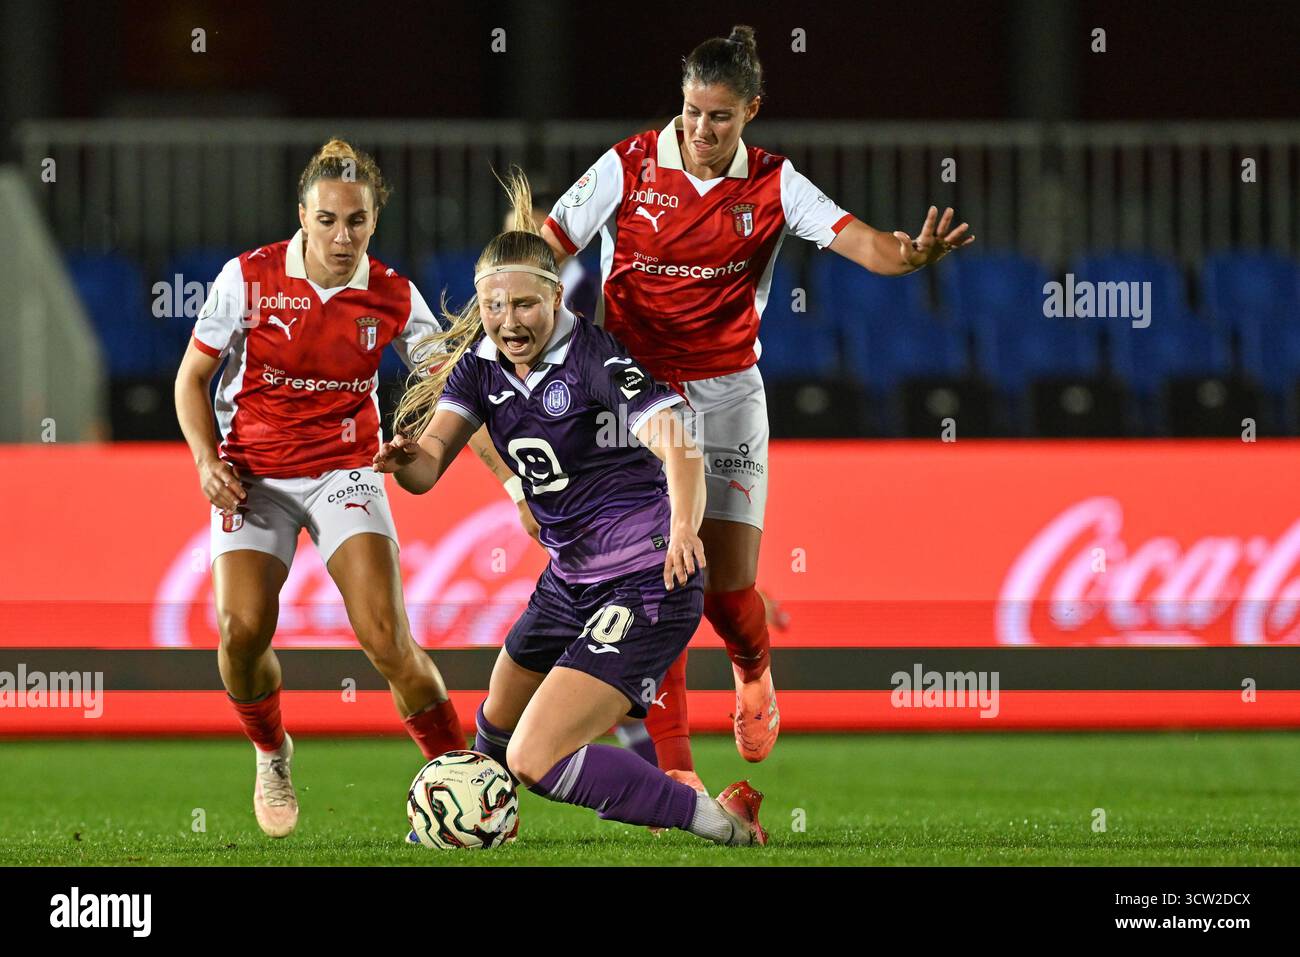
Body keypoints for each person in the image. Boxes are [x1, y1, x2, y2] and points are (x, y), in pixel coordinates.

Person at [540, 25, 974, 771]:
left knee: (727, 591)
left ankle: (753, 671)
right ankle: (674, 770)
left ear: (751, 112)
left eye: (719, 116)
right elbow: (548, 242)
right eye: (691, 112)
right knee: (662, 577)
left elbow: (864, 242)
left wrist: (910, 255)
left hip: (728, 394)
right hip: (639, 401)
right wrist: (520, 299)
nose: (701, 131)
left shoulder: (773, 183)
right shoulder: (630, 164)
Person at [377, 171, 766, 845]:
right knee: (493, 728)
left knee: (533, 757)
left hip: (646, 579)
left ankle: (724, 827)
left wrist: (681, 527)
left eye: (525, 306)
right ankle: (479, 822)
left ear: (556, 296)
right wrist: (404, 456)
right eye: (495, 308)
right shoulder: (479, 365)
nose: (509, 321)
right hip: (568, 584)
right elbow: (429, 465)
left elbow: (678, 443)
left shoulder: (593, 358)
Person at [174, 139, 521, 838]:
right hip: (254, 476)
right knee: (241, 631)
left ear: (373, 221)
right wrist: (206, 461)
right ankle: (272, 752)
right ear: (302, 216)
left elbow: (454, 395)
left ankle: (464, 782)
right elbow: (190, 380)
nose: (342, 235)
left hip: (344, 470)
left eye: (356, 221)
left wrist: (512, 482)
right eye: (328, 220)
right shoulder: (246, 280)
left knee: (387, 637)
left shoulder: (391, 295)